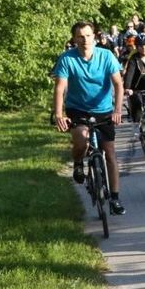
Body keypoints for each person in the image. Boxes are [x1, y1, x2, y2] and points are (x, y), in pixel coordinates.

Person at [51, 21, 126, 215]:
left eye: (88, 36)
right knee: (82, 139)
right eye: (80, 37)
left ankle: (115, 198)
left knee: (109, 152)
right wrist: (59, 114)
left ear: (95, 36)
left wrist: (117, 110)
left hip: (103, 110)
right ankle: (78, 162)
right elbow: (60, 88)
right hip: (78, 109)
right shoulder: (67, 59)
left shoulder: (106, 55)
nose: (85, 40)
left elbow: (118, 84)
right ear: (74, 39)